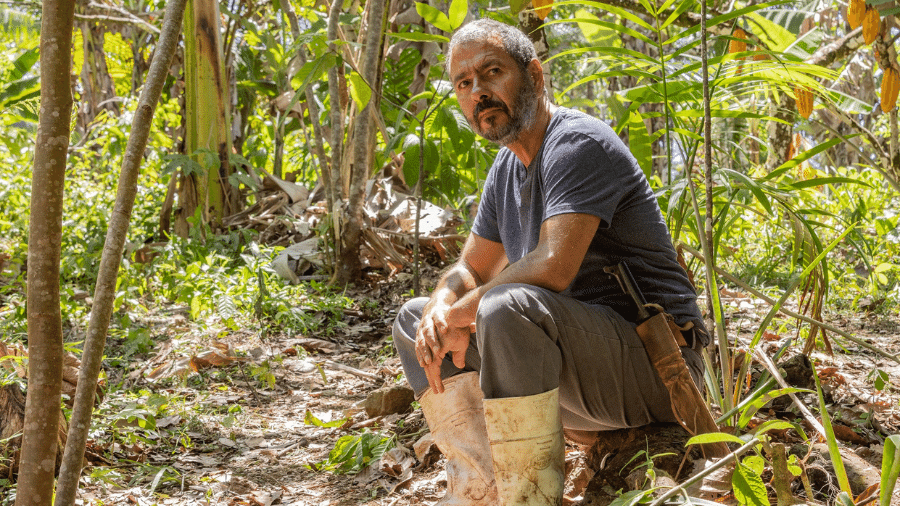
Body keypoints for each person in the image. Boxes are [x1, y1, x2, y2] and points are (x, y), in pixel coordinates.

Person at [392, 18, 708, 506]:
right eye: (464, 83)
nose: (478, 92)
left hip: (658, 370)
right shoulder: (507, 167)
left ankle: (529, 498)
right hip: (579, 376)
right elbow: (471, 268)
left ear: (534, 76)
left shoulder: (577, 143)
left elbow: (553, 266)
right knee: (415, 321)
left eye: (491, 72)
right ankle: (482, 491)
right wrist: (440, 306)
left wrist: (461, 313)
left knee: (505, 307)